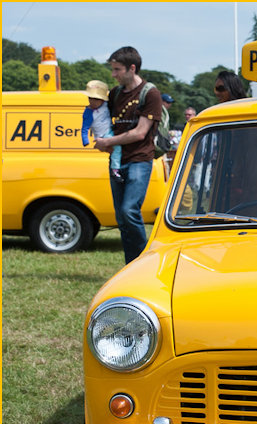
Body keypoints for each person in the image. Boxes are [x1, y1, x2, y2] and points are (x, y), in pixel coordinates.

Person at [94, 46, 162, 264]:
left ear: (132, 68)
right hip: (117, 161)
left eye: (117, 70)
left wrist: (109, 142)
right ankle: (131, 265)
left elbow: (140, 132)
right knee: (122, 219)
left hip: (139, 160)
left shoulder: (150, 93)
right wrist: (98, 136)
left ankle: (145, 262)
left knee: (129, 209)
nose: (113, 75)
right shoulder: (114, 94)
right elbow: (103, 119)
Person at [81, 80, 122, 180]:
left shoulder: (106, 106)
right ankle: (115, 169)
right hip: (102, 136)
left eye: (96, 99)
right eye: (90, 98)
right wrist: (85, 140)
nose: (92, 101)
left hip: (110, 131)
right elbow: (84, 128)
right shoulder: (88, 112)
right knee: (117, 147)